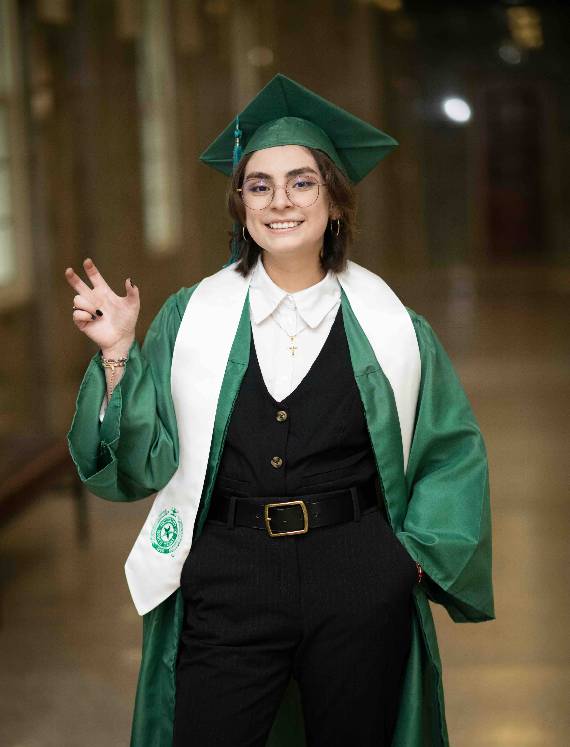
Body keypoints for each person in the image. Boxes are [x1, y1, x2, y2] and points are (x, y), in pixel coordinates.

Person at [65, 74, 494, 747]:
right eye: (259, 185)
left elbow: (451, 449)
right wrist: (119, 352)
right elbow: (133, 467)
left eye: (301, 182)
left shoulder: (393, 329)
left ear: (335, 201)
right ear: (241, 205)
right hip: (229, 573)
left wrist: (406, 560)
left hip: (357, 573)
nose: (279, 201)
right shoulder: (191, 317)